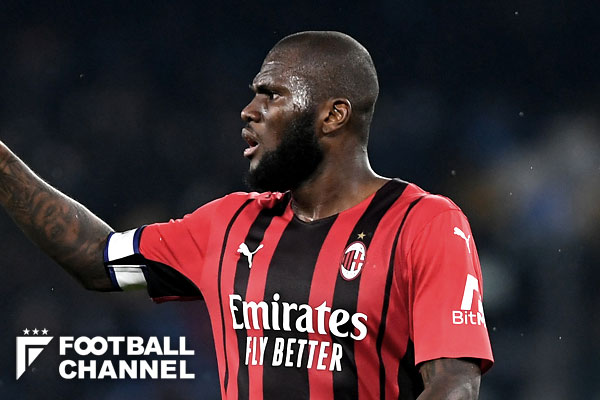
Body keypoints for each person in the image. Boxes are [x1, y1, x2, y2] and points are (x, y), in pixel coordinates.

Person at [0, 31, 493, 399]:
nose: (248, 110)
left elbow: (454, 384)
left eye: (271, 94)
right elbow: (97, 260)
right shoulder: (228, 225)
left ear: (333, 115)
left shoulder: (425, 225)